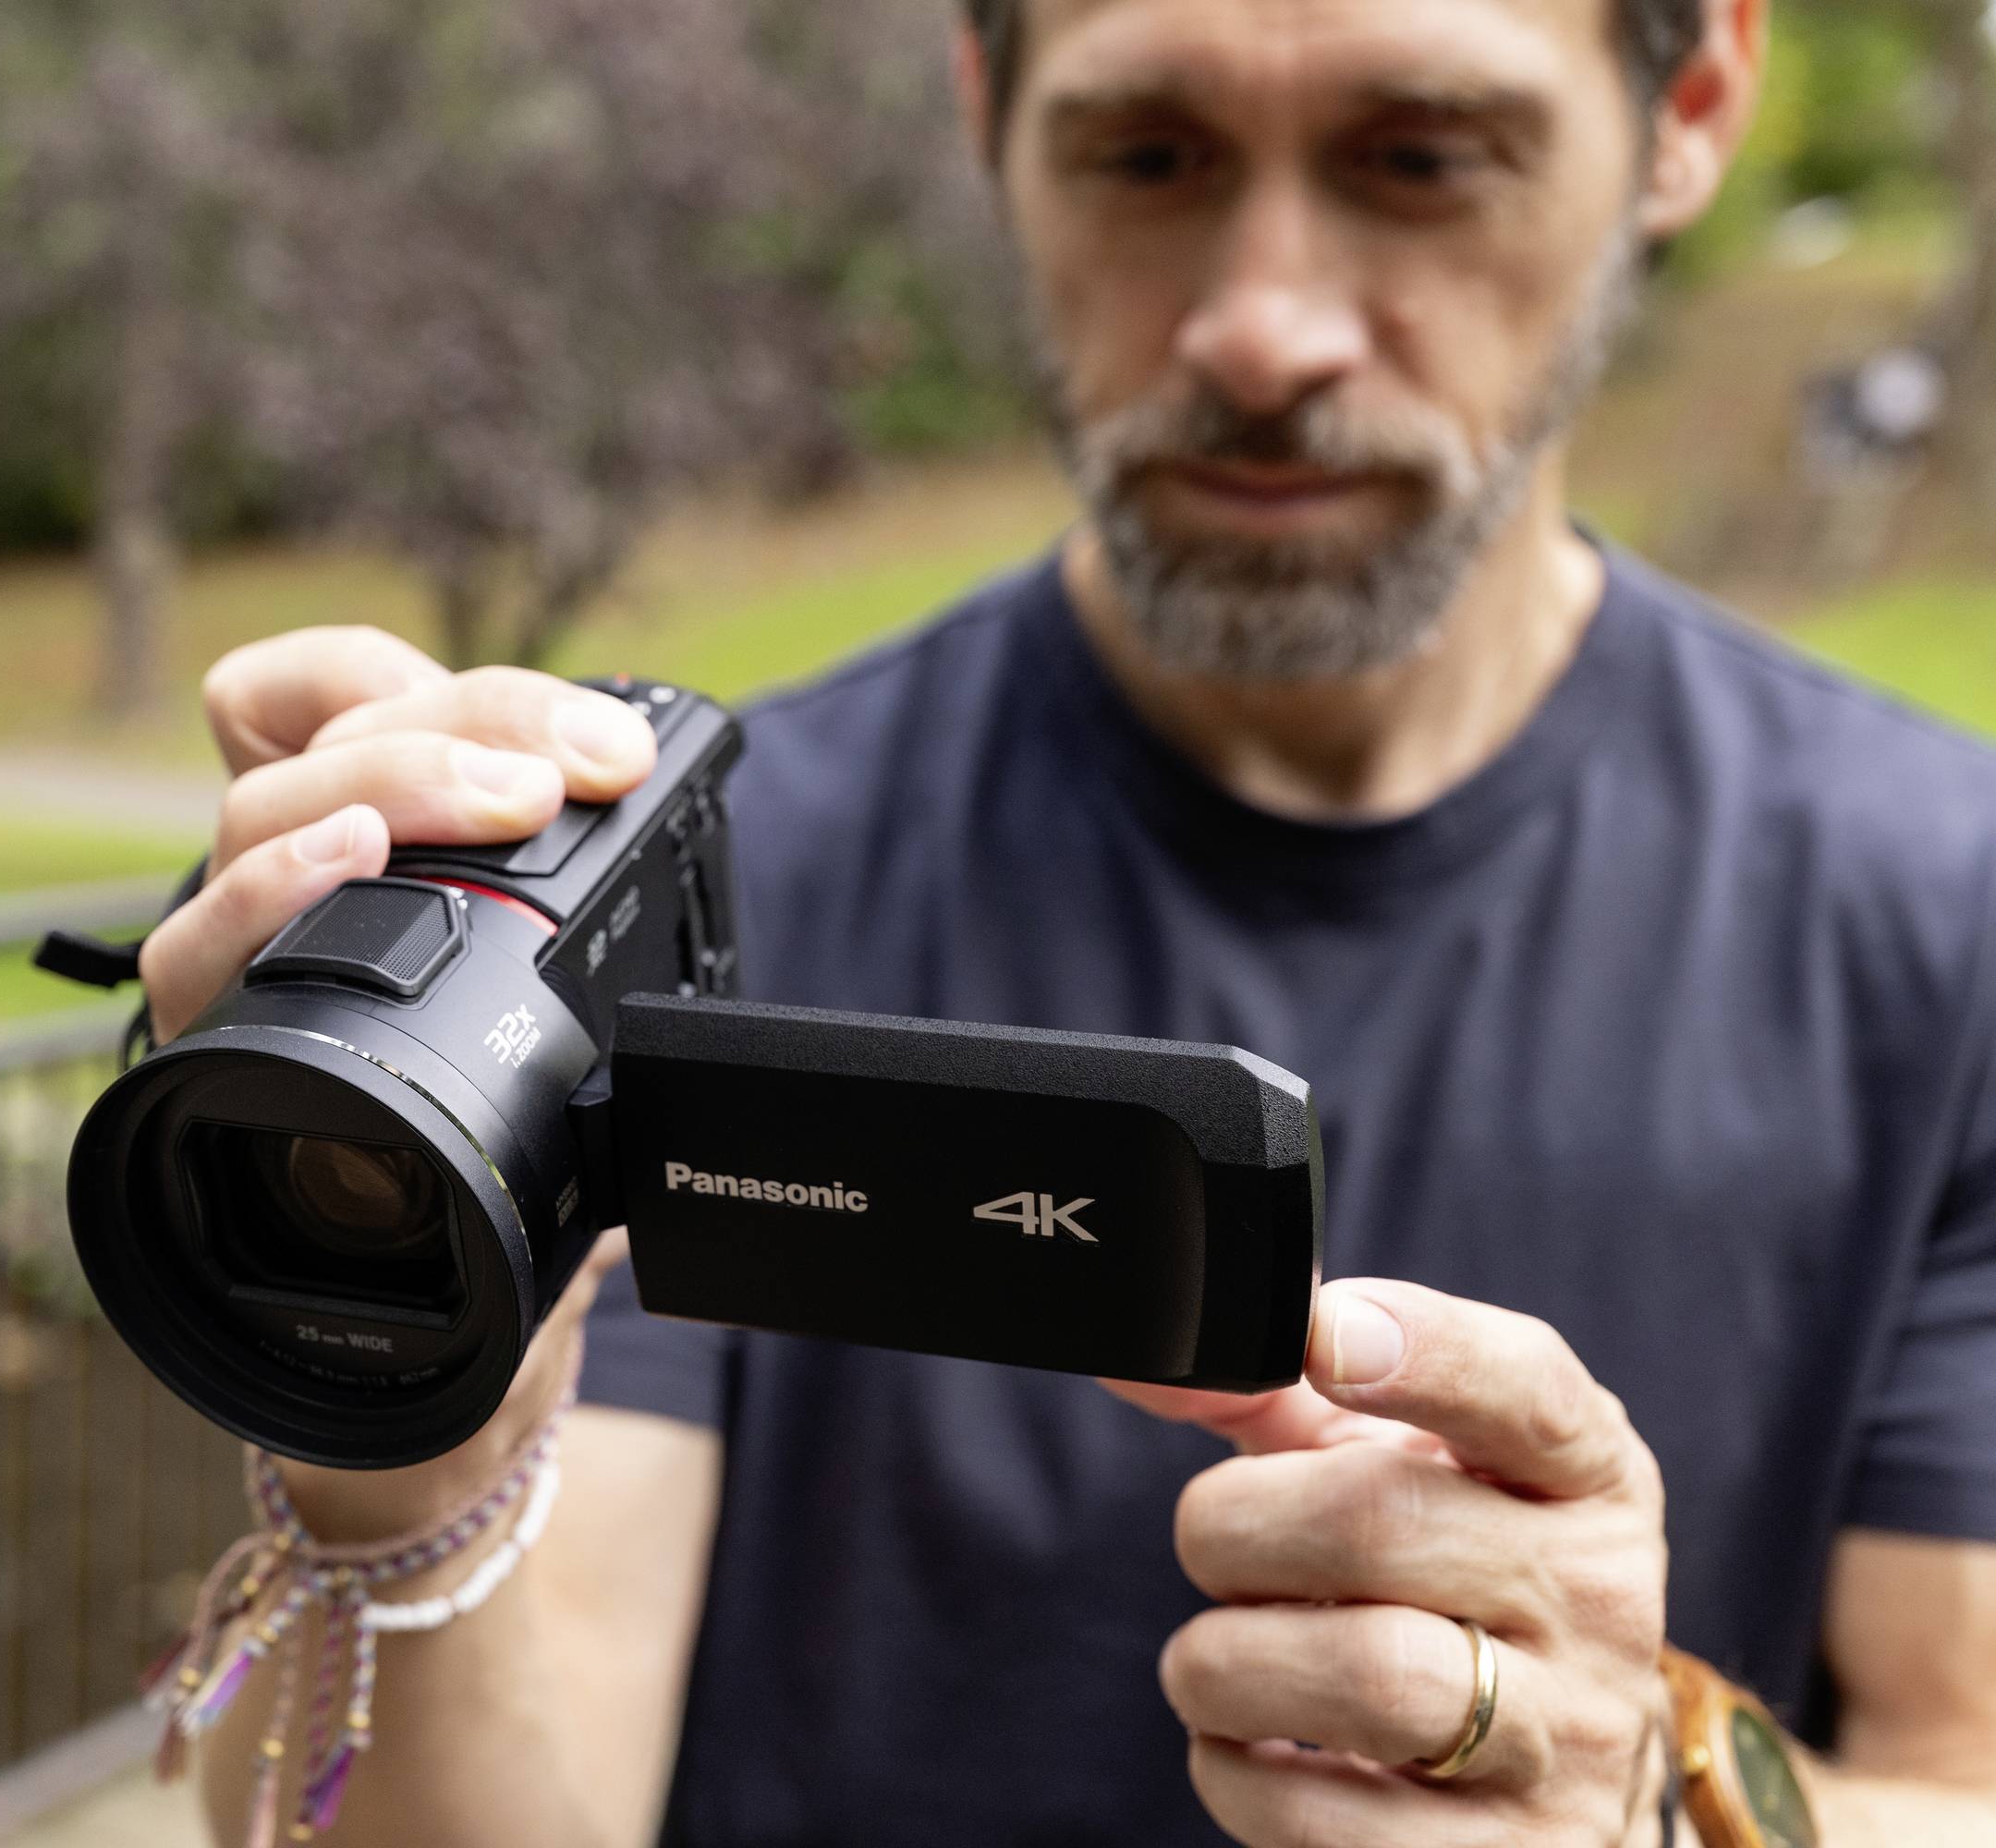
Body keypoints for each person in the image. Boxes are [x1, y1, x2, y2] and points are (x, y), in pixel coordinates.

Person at [147, 0, 1996, 1842]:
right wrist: (398, 1424)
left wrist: (1649, 1807)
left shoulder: (1950, 908)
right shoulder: (701, 893)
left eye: (1421, 155)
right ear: (990, 117)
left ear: (1688, 105)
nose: (1262, 328)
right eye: (1147, 154)